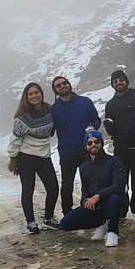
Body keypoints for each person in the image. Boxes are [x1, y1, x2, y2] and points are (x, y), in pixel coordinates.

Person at [7, 83, 60, 234]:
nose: (34, 96)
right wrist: (13, 158)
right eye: (30, 94)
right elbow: (14, 140)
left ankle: (48, 218)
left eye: (36, 92)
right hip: (26, 157)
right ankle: (30, 222)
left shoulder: (49, 109)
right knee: (28, 189)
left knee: (53, 188)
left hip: (44, 156)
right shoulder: (22, 118)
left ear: (41, 94)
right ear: (26, 97)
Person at [59, 130, 126, 247]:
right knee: (65, 223)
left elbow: (119, 185)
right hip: (96, 207)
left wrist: (98, 195)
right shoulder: (83, 167)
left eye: (96, 142)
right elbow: (85, 189)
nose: (93, 145)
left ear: (101, 143)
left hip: (114, 204)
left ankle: (113, 231)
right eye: (89, 143)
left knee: (115, 198)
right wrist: (85, 201)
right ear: (85, 147)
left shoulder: (114, 161)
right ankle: (102, 222)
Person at [103, 69, 135, 225]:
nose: (118, 83)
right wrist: (109, 127)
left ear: (126, 81)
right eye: (115, 81)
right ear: (112, 85)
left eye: (121, 80)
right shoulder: (110, 105)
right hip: (120, 149)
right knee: (120, 184)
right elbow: (111, 130)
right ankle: (121, 211)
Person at [50, 76, 101, 216]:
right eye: (58, 85)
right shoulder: (53, 109)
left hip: (87, 149)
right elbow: (50, 129)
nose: (62, 86)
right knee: (67, 185)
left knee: (92, 182)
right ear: (55, 90)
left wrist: (93, 127)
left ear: (69, 84)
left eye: (64, 83)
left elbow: (96, 118)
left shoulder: (85, 102)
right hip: (67, 151)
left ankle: (94, 210)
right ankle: (67, 213)